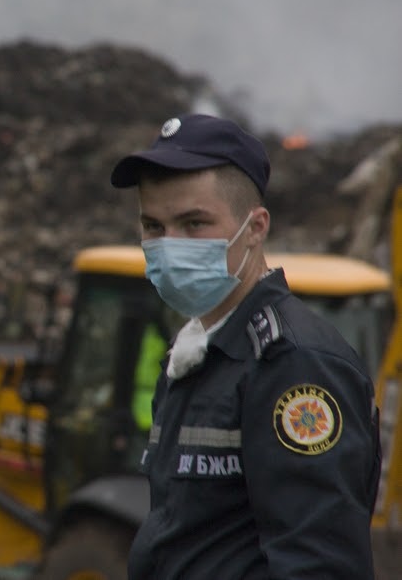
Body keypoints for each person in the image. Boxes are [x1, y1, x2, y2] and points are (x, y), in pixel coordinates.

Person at [109, 114, 381, 579]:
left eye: (193, 224)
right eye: (153, 226)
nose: (169, 247)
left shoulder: (293, 364)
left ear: (255, 228)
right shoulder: (197, 355)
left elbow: (317, 564)